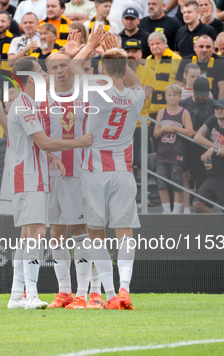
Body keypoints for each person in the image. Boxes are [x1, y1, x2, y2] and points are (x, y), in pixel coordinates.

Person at [0, 57, 93, 310]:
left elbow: (28, 141)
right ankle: (31, 294)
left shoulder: (25, 104)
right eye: (40, 70)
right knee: (36, 234)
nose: (45, 73)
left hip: (30, 174)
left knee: (26, 238)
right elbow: (43, 142)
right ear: (31, 77)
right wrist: (79, 142)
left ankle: (16, 295)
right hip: (30, 176)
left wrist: (51, 157)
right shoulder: (25, 105)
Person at [67, 30, 148, 310]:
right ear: (124, 69)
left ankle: (111, 294)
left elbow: (72, 67)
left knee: (96, 234)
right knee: (125, 232)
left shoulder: (97, 90)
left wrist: (91, 46)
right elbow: (134, 82)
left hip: (94, 171)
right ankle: (125, 289)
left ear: (102, 69)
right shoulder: (136, 97)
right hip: (123, 172)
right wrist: (119, 57)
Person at [34, 51, 99, 310]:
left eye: (64, 65)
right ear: (48, 72)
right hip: (49, 175)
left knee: (81, 231)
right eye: (54, 67)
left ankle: (83, 293)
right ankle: (64, 292)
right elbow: (36, 138)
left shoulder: (86, 97)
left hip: (79, 173)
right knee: (56, 233)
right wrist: (51, 158)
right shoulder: (42, 101)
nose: (60, 70)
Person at [193, 99, 224, 213]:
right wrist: (213, 148)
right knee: (198, 203)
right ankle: (218, 225)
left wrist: (215, 150)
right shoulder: (212, 119)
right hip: (215, 175)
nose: (219, 111)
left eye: (222, 108)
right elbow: (197, 137)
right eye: (217, 108)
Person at [153, 84, 194, 214]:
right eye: (169, 95)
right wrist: (164, 128)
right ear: (165, 96)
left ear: (180, 97)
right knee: (161, 183)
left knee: (177, 183)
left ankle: (176, 210)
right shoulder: (162, 112)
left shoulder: (183, 112)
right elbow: (155, 134)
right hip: (162, 153)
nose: (172, 97)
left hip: (177, 152)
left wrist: (175, 129)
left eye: (175, 95)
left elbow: (190, 131)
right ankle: (166, 210)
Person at [179, 77, 216, 210]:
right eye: (199, 94)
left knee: (203, 178)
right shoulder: (183, 103)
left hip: (204, 148)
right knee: (183, 177)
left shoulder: (213, 104)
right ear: (193, 91)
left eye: (204, 95)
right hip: (186, 146)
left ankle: (202, 208)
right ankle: (185, 208)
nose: (201, 97)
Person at [174, 35, 224, 99]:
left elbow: (223, 90)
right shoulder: (185, 61)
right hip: (189, 103)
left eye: (208, 47)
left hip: (212, 103)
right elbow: (180, 87)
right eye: (201, 46)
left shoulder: (221, 62)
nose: (204, 50)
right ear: (195, 47)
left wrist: (219, 107)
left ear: (213, 48)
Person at [145, 31, 182, 122]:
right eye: (152, 44)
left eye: (157, 43)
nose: (154, 46)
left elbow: (181, 83)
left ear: (165, 43)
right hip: (151, 108)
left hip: (170, 107)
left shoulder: (176, 58)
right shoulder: (148, 59)